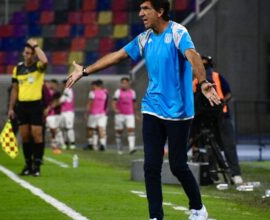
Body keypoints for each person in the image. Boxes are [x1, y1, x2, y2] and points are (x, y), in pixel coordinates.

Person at [66, 1, 221, 219]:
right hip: (152, 109)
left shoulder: (178, 32)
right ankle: (155, 216)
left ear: (160, 11)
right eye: (140, 9)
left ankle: (198, 208)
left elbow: (193, 56)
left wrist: (203, 81)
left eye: (145, 9)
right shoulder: (144, 38)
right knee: (151, 167)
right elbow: (118, 55)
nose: (140, 14)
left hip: (179, 111)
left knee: (177, 165)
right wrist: (85, 70)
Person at [192, 55, 243, 184]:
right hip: (208, 119)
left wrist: (220, 103)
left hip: (222, 116)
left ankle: (235, 173)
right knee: (211, 148)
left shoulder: (216, 77)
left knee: (228, 146)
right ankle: (213, 174)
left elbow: (228, 93)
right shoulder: (196, 81)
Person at [8, 38, 48, 177]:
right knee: (25, 136)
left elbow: (45, 61)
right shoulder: (17, 68)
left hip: (36, 105)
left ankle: (37, 166)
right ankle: (28, 165)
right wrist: (11, 108)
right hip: (22, 106)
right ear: (23, 53)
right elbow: (14, 89)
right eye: (26, 53)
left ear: (34, 54)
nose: (28, 55)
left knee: (36, 135)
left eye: (30, 53)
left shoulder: (38, 66)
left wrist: (36, 45)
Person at [111, 77, 139, 155]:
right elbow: (113, 102)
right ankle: (119, 147)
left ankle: (131, 148)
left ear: (128, 83)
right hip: (120, 115)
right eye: (123, 83)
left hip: (130, 114)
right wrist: (115, 109)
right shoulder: (118, 92)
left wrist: (136, 113)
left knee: (131, 130)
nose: (124, 84)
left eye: (126, 83)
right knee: (119, 132)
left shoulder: (132, 92)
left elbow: (134, 103)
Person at [86, 80, 108, 151]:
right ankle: (102, 144)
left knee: (90, 128)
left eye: (92, 85)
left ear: (95, 85)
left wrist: (86, 112)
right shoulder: (105, 92)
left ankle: (90, 144)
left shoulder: (92, 93)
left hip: (94, 113)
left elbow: (89, 103)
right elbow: (106, 103)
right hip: (102, 113)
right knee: (101, 128)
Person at [44, 79, 64, 154]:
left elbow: (57, 102)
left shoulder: (57, 93)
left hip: (54, 114)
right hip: (48, 114)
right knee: (52, 129)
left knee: (54, 129)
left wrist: (49, 108)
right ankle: (56, 144)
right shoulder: (45, 92)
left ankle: (56, 145)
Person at [59, 79, 76, 150]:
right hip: (65, 111)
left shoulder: (67, 90)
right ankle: (66, 142)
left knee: (69, 128)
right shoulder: (67, 90)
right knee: (65, 128)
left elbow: (62, 100)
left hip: (68, 112)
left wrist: (55, 103)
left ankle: (72, 143)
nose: (62, 86)